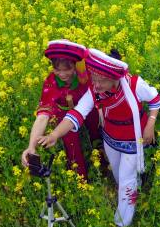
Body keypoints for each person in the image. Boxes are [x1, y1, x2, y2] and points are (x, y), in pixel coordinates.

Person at [38, 48, 160, 227]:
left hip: (134, 138)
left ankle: (122, 223)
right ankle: (134, 186)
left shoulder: (135, 85)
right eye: (94, 79)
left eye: (101, 80)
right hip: (111, 138)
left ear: (114, 78)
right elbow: (78, 113)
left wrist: (150, 125)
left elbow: (155, 99)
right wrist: (55, 134)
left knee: (126, 180)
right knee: (119, 174)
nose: (95, 85)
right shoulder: (94, 89)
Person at [21, 39, 101, 180]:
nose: (62, 74)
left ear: (75, 66)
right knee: (71, 143)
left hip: (87, 108)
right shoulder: (51, 82)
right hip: (64, 114)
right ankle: (80, 180)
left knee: (97, 130)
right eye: (57, 69)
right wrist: (31, 146)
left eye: (67, 69)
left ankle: (102, 161)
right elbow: (42, 117)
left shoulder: (86, 74)